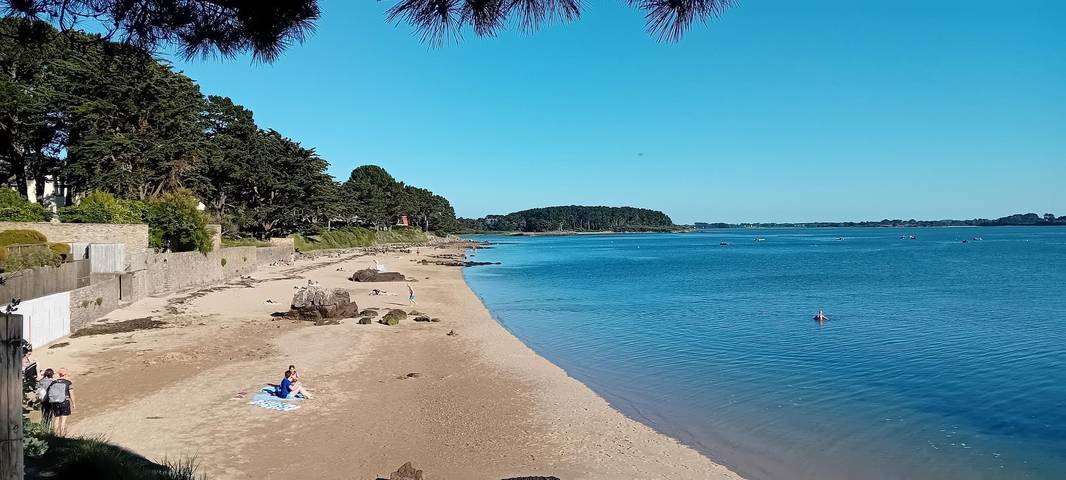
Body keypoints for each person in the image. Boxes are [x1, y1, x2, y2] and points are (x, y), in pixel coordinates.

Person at [47, 368, 75, 437]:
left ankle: (55, 435)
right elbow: (71, 394)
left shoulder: (53, 382)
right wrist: (73, 403)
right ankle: (62, 435)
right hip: (64, 402)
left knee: (56, 418)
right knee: (63, 420)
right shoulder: (68, 383)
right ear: (65, 374)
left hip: (55, 402)